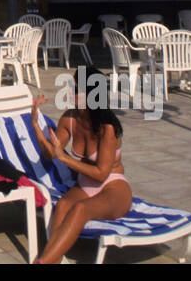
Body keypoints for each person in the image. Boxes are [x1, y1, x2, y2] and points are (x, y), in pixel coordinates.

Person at [30, 67, 132, 263]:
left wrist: (65, 158)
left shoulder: (107, 128)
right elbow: (51, 154)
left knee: (80, 210)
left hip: (113, 185)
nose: (69, 91)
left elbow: (102, 174)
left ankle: (41, 262)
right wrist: (35, 124)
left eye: (75, 89)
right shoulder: (69, 118)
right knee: (62, 206)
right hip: (86, 184)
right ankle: (51, 261)